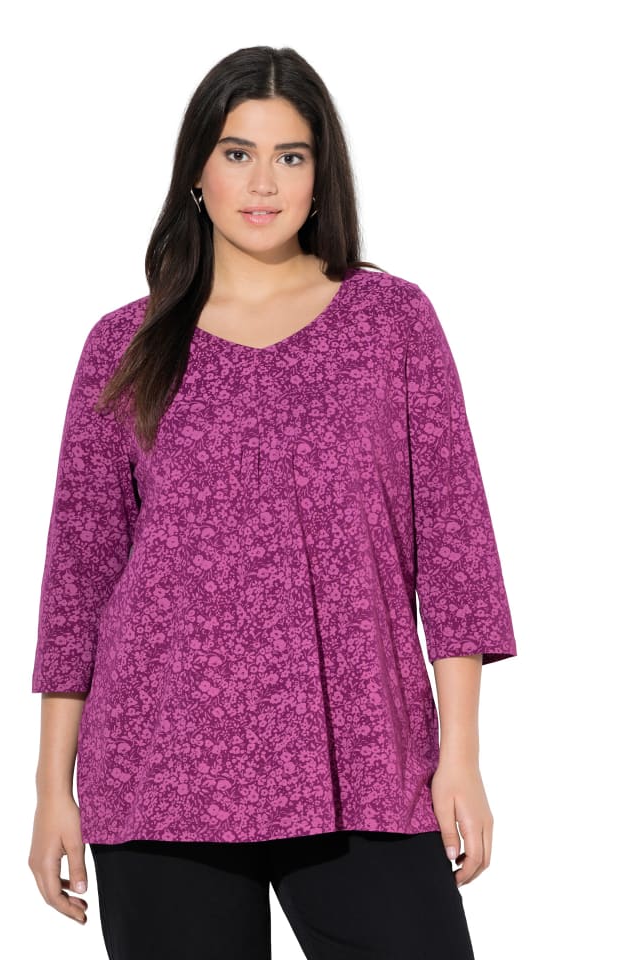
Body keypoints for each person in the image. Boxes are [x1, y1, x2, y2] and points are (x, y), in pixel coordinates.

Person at [28, 45, 518, 959]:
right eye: (237, 153)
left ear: (321, 175)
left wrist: (461, 756)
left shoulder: (391, 323)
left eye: (291, 156)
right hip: (162, 768)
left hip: (364, 762)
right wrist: (51, 787)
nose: (264, 183)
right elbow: (80, 582)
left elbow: (454, 548)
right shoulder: (124, 345)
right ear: (197, 172)